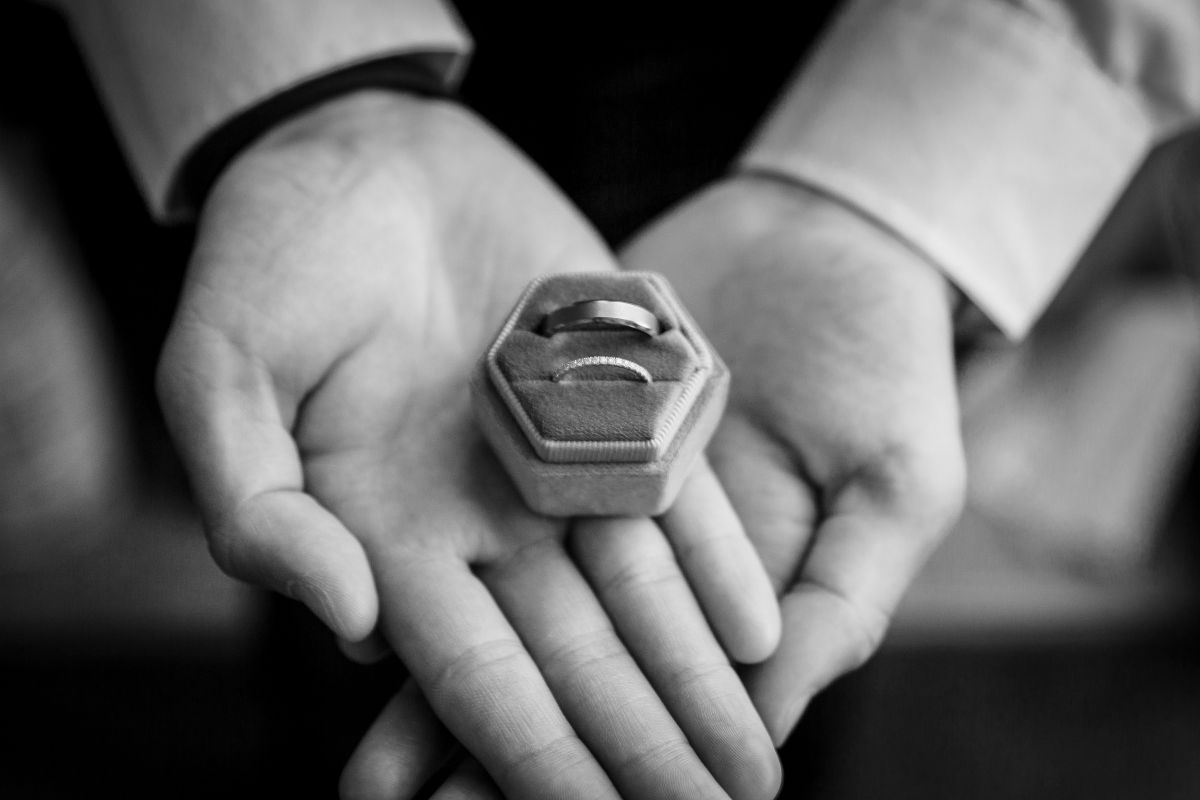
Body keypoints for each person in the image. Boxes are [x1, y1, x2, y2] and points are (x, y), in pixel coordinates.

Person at [34, 0, 1200, 798]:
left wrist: (918, 176)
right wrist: (298, 83)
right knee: (350, 594)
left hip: (827, 52)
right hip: (241, 84)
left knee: (741, 638)